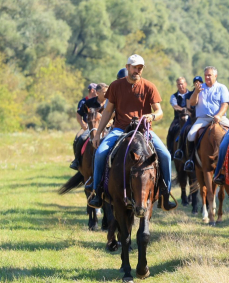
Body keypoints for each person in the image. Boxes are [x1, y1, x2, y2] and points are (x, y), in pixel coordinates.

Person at [87, 54, 177, 210]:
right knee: (101, 152)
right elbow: (108, 111)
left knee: (166, 156)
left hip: (144, 130)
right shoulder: (115, 86)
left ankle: (166, 193)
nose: (137, 70)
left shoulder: (149, 86)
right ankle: (97, 191)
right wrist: (97, 134)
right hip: (120, 129)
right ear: (127, 67)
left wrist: (152, 116)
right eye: (134, 67)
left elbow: (159, 112)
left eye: (140, 68)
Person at [182, 66, 229, 172]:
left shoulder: (222, 88)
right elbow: (192, 103)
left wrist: (218, 115)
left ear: (215, 76)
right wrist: (196, 92)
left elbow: (225, 104)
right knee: (190, 135)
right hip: (203, 119)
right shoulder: (199, 87)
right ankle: (190, 160)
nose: (207, 77)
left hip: (219, 118)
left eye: (209, 75)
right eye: (205, 75)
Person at [70, 83, 99, 170]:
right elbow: (79, 116)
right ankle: (77, 160)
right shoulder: (83, 102)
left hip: (98, 127)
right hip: (86, 127)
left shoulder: (99, 101)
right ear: (93, 90)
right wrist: (84, 127)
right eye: (97, 90)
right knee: (79, 138)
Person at [173, 76, 201, 161]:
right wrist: (192, 115)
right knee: (184, 130)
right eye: (196, 82)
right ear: (193, 84)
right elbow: (189, 108)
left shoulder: (205, 92)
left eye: (199, 82)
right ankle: (180, 150)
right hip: (192, 118)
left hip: (203, 117)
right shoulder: (189, 95)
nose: (197, 84)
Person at [167, 77, 189, 152]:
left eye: (182, 84)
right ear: (177, 85)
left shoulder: (191, 94)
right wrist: (184, 110)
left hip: (190, 118)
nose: (180, 86)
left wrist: (186, 110)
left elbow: (192, 105)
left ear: (185, 84)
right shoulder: (174, 96)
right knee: (171, 130)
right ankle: (170, 150)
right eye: (179, 84)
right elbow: (175, 106)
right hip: (178, 118)